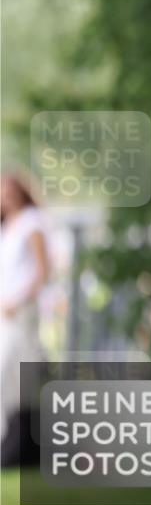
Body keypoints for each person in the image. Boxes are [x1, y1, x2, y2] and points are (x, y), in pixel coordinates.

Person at [0, 173, 50, 467]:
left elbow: (42, 271)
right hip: (5, 315)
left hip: (20, 315)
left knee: (13, 374)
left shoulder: (32, 222)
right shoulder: (7, 227)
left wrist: (16, 302)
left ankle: (16, 445)